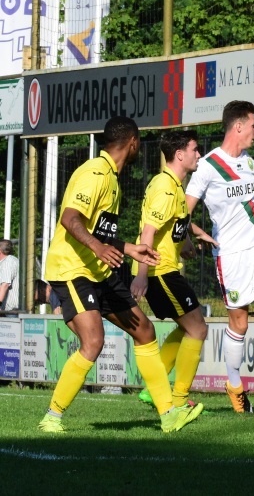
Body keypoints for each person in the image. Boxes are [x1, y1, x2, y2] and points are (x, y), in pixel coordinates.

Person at [38, 116, 203, 433]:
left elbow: (97, 231)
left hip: (98, 269)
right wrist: (97, 248)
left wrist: (127, 248)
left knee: (144, 331)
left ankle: (169, 414)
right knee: (93, 340)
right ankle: (52, 417)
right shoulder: (95, 173)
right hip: (72, 268)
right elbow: (71, 219)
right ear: (133, 143)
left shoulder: (111, 178)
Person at [185, 100, 254, 412]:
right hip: (230, 255)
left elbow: (249, 201)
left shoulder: (249, 163)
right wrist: (194, 235)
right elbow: (182, 211)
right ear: (239, 126)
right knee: (240, 324)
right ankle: (234, 385)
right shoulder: (207, 167)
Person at [131, 130, 217, 409]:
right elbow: (148, 231)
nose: (198, 154)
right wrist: (142, 276)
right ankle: (177, 399)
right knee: (198, 330)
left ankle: (152, 390)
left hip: (165, 269)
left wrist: (190, 242)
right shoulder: (167, 188)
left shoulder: (173, 186)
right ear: (180, 154)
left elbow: (175, 223)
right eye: (195, 149)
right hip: (160, 271)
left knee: (189, 327)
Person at [0, 239, 19, 313]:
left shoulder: (8, 262)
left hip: (11, 310)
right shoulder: (7, 261)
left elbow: (5, 284)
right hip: (8, 309)